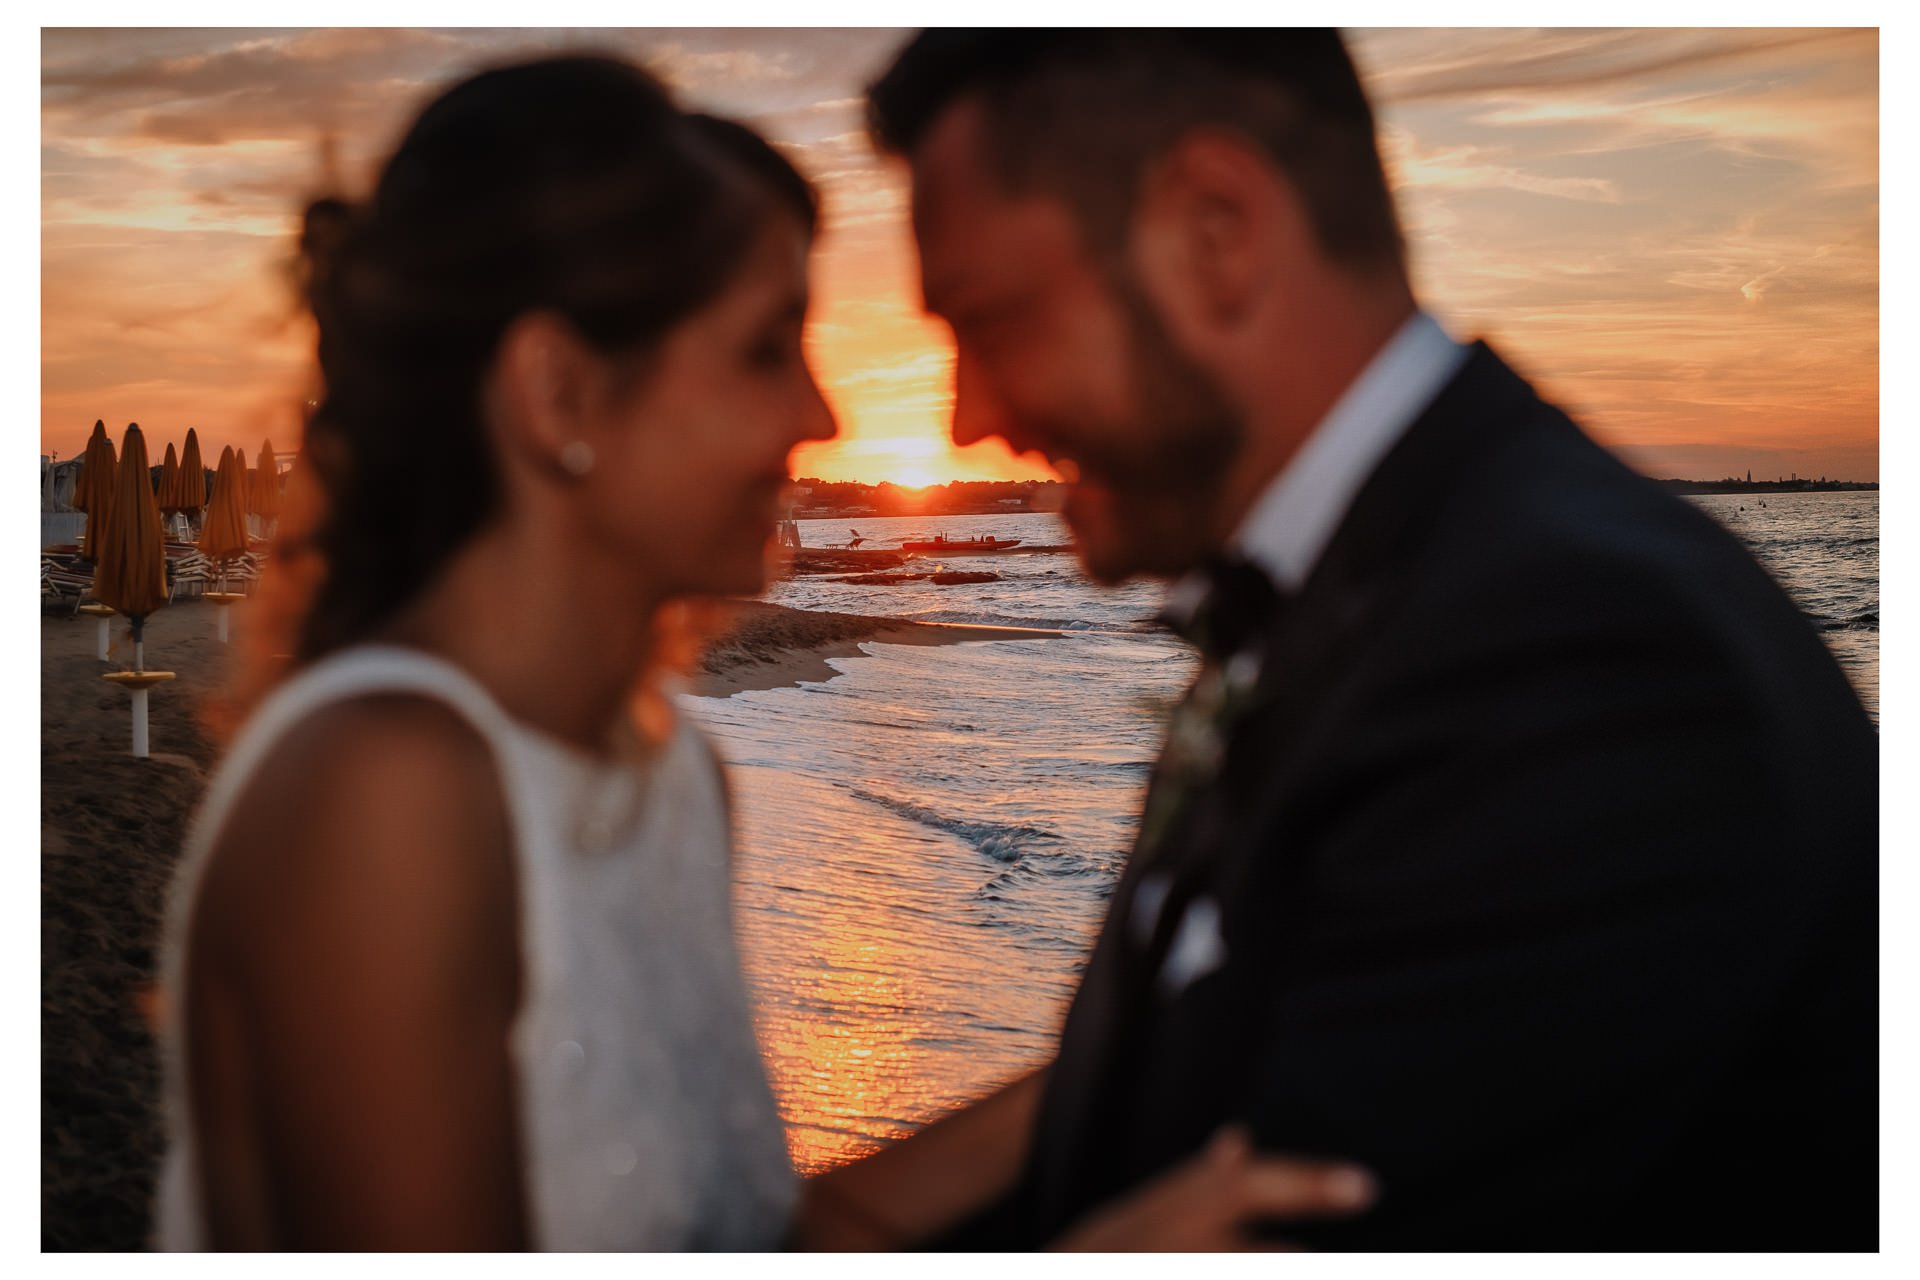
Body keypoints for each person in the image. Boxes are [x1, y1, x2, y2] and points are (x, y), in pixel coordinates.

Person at [152, 53, 1375, 1250]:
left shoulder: (672, 774)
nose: (819, 413)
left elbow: (762, 1235)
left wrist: (1170, 1046)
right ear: (559, 393)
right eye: (763, 348)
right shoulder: (385, 793)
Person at [864, 29, 1878, 1249]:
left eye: (993, 318)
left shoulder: (1576, 657)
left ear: (1218, 232)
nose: (968, 412)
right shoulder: (1383, 584)